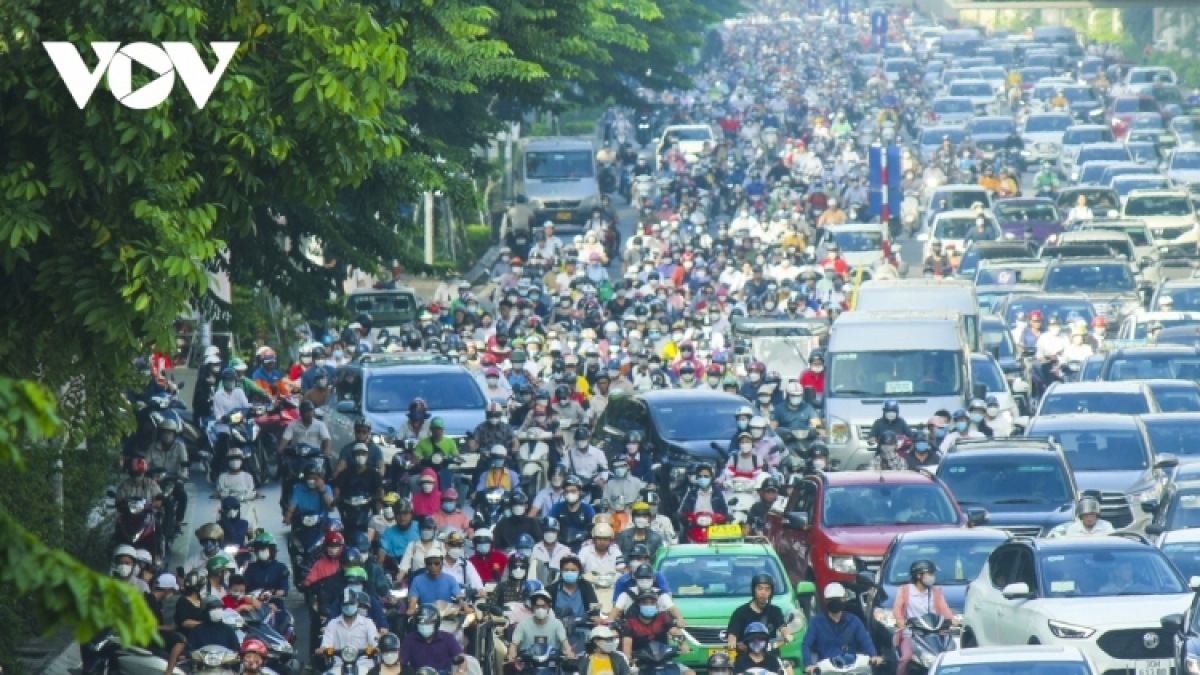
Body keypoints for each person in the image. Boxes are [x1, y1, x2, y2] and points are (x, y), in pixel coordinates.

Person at [893, 561, 956, 675]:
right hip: (912, 634)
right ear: (918, 575)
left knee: (948, 653)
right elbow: (897, 607)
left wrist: (952, 619)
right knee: (905, 658)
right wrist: (900, 620)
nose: (932, 577)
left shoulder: (936, 591)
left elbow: (944, 608)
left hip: (934, 633)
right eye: (929, 573)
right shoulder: (905, 590)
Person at [801, 583, 879, 674]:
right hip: (827, 670)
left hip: (852, 668)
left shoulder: (854, 621)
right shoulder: (816, 622)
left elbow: (866, 641)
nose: (835, 602)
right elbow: (806, 644)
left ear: (844, 599)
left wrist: (874, 656)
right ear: (826, 601)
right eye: (831, 600)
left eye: (838, 599)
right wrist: (808, 664)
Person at [619, 588, 687, 661]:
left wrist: (683, 644)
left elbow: (674, 631)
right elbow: (627, 645)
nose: (649, 605)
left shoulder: (663, 617)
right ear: (639, 605)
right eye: (645, 603)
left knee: (689, 672)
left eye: (652, 603)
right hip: (641, 663)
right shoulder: (631, 623)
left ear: (656, 604)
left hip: (663, 660)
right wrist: (628, 659)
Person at [727, 574, 791, 649]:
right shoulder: (740, 612)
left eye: (767, 589)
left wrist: (786, 634)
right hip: (747, 655)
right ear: (753, 590)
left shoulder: (775, 611)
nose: (763, 593)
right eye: (760, 589)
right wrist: (732, 640)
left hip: (769, 654)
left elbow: (782, 626)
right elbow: (733, 633)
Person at [508, 589, 575, 661]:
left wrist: (569, 652)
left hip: (552, 665)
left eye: (543, 606)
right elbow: (514, 644)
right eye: (537, 606)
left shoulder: (557, 624)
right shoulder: (522, 625)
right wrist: (512, 654)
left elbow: (565, 643)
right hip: (528, 665)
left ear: (549, 607)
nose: (540, 609)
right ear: (533, 607)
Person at [400, 604, 464, 673]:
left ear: (436, 623)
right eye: (421, 623)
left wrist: (460, 672)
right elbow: (401, 661)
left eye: (428, 623)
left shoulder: (448, 638)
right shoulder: (410, 639)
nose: (424, 626)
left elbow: (462, 659)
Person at [321, 589, 380, 654]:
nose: (348, 606)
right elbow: (326, 645)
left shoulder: (368, 623)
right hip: (339, 663)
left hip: (364, 662)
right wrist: (322, 649)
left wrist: (376, 647)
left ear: (357, 603)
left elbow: (374, 643)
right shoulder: (332, 624)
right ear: (341, 605)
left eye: (351, 603)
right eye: (346, 604)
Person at [243, 532, 290, 597]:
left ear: (271, 550)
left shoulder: (281, 568)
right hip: (254, 602)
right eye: (259, 549)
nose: (261, 551)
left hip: (275, 602)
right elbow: (244, 587)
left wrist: (272, 593)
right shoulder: (250, 568)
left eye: (263, 549)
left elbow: (284, 589)